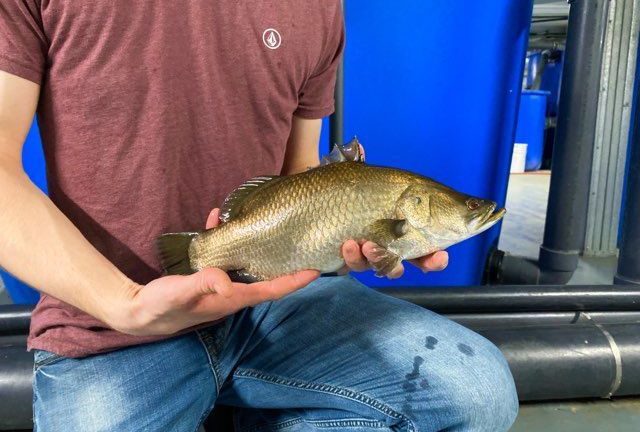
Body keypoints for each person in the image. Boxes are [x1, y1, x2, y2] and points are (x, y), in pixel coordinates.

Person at [0, 2, 518, 431]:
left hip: (271, 305)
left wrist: (343, 244)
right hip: (110, 330)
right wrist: (127, 303)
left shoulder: (318, 8)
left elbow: (303, 175)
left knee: (479, 393)